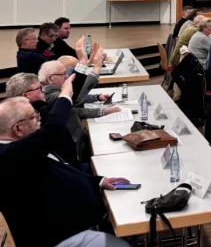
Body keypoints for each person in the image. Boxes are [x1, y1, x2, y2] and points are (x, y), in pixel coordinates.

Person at [0, 75, 132, 247]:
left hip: (79, 222)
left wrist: (99, 181)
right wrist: (65, 95)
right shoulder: (8, 155)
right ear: (17, 129)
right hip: (59, 237)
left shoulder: (22, 147)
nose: (39, 121)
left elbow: (64, 172)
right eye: (34, 117)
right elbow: (52, 129)